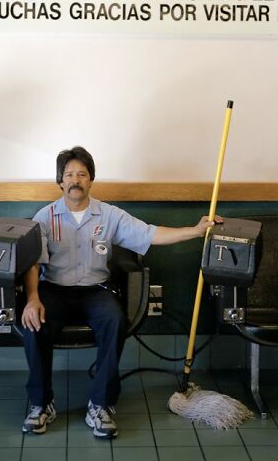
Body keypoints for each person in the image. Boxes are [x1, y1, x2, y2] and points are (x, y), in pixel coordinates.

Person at [21, 146, 219, 439]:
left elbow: (149, 234)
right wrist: (33, 299)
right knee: (34, 324)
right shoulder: (44, 216)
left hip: (95, 290)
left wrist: (194, 230)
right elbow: (33, 263)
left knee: (115, 319)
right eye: (69, 174)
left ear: (91, 180)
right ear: (60, 181)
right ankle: (40, 404)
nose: (75, 180)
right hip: (55, 290)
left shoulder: (110, 215)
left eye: (82, 174)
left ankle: (100, 404)